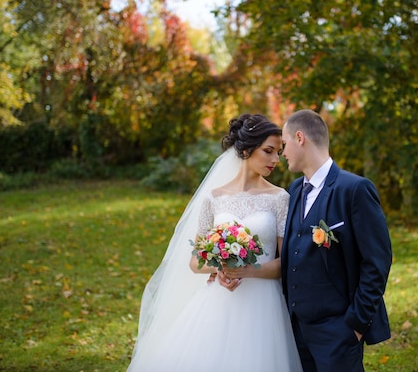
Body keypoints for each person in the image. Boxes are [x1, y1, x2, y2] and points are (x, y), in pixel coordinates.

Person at [127, 114, 302, 372]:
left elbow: (285, 263)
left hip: (264, 305)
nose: (276, 160)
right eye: (268, 151)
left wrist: (245, 270)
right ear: (245, 150)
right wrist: (221, 268)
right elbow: (196, 261)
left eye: (278, 152)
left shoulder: (279, 198)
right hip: (219, 300)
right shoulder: (214, 198)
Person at [280, 109, 392, 372]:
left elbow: (377, 261)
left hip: (338, 331)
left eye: (284, 144)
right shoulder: (295, 190)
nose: (282, 153)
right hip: (297, 329)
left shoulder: (354, 189)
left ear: (300, 138)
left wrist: (356, 324)